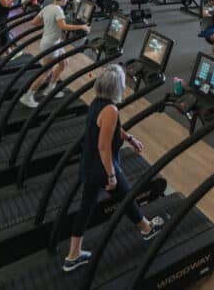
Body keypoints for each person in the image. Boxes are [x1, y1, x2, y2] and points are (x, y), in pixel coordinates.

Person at [63, 65, 165, 271]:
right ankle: (147, 228)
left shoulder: (98, 103)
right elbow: (103, 146)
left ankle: (73, 256)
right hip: (102, 166)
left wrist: (130, 138)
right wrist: (111, 175)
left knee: (87, 207)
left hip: (90, 164)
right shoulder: (111, 109)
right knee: (126, 196)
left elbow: (112, 128)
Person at [20, 0, 91, 108]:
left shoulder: (47, 7)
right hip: (51, 44)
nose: (67, 0)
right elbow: (64, 26)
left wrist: (49, 23)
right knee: (46, 72)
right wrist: (81, 27)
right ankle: (27, 96)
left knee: (64, 63)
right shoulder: (58, 10)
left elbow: (34, 22)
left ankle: (51, 89)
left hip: (52, 42)